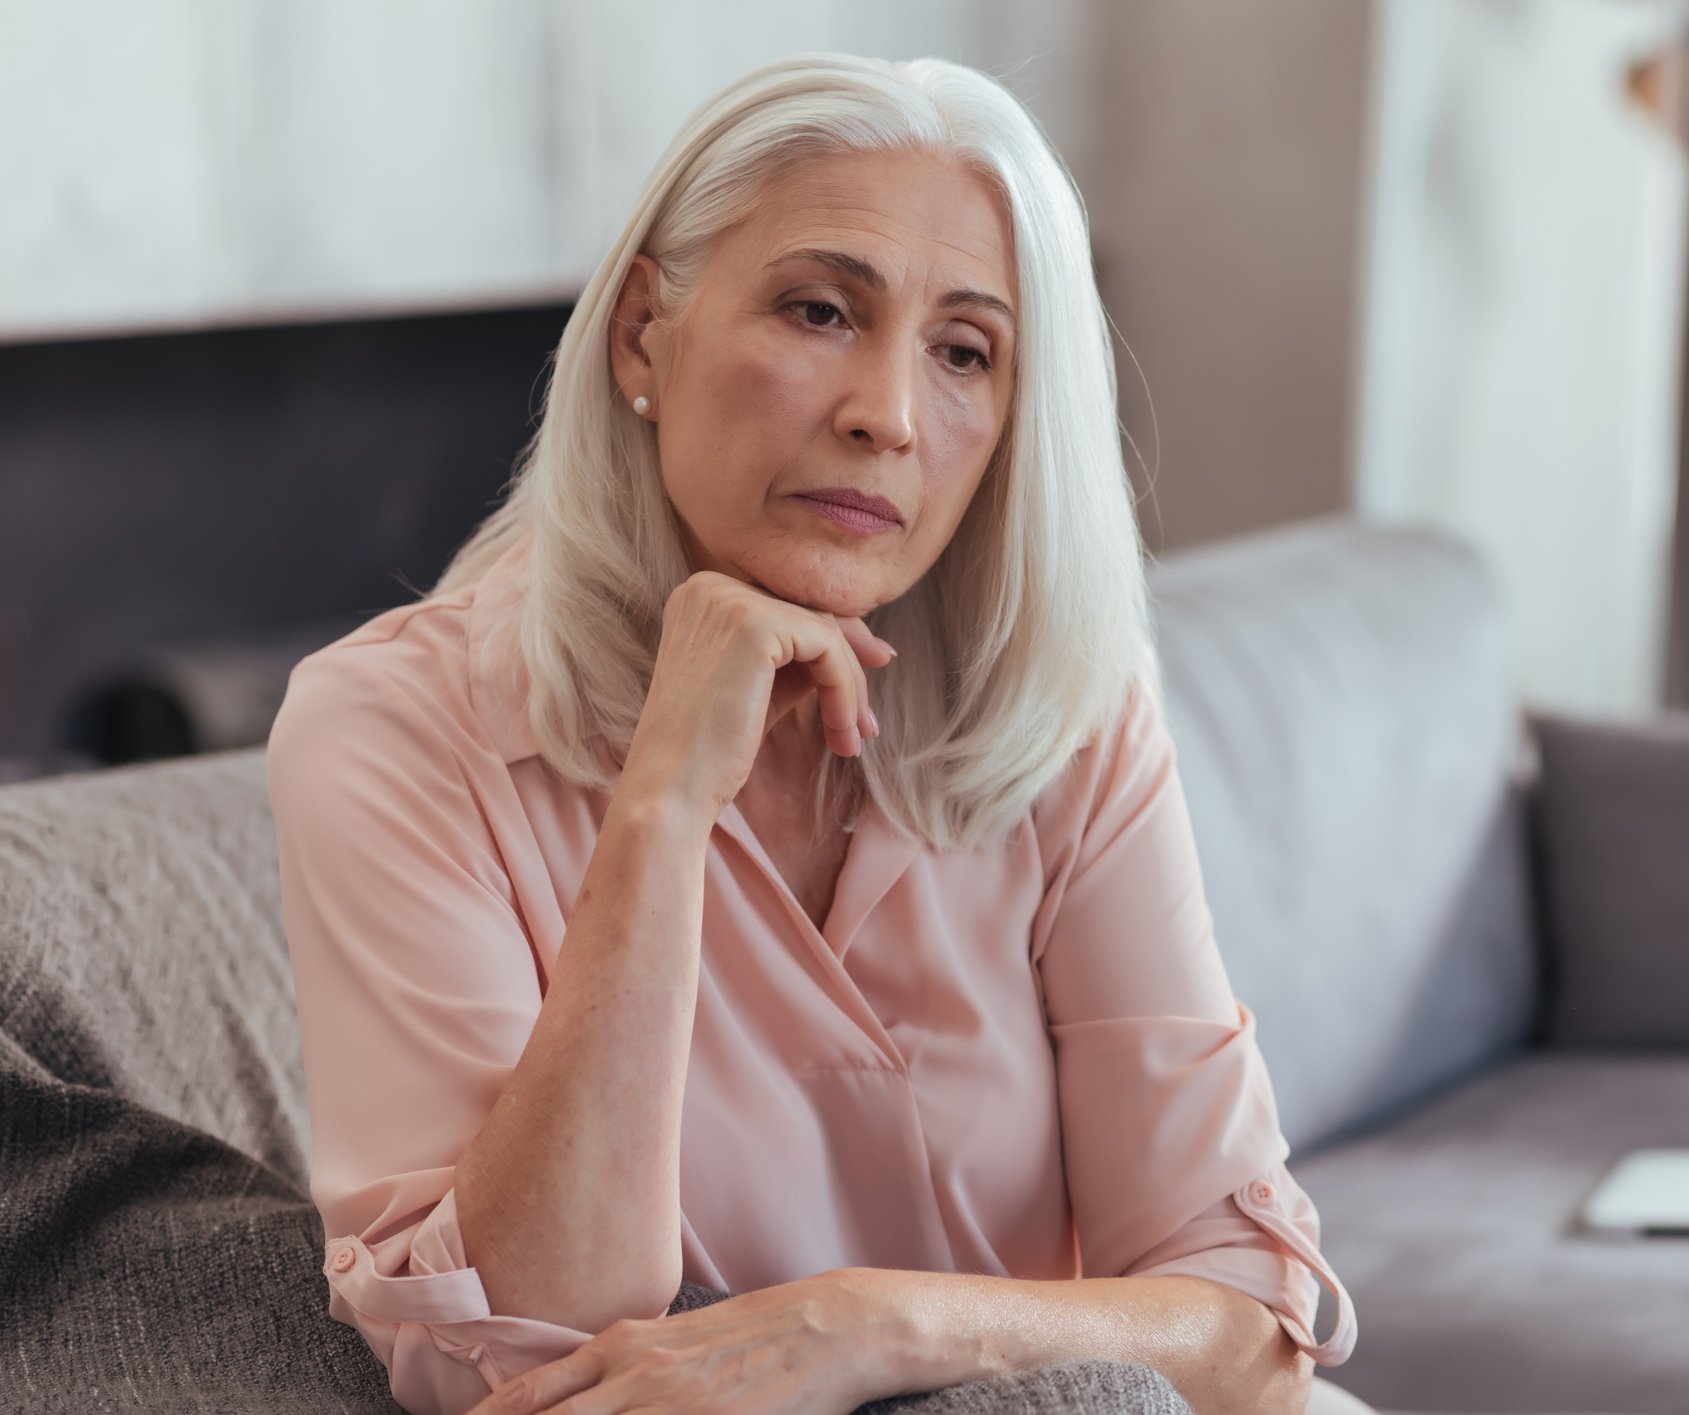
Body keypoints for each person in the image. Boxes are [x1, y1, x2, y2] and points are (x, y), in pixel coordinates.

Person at [266, 51, 1366, 1415]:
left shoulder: (1070, 705)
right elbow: (509, 1360)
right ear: (640, 339)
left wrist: (863, 1331)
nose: (887, 415)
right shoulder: (389, 731)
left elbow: (1251, 1336)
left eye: (965, 351)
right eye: (818, 310)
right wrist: (662, 804)